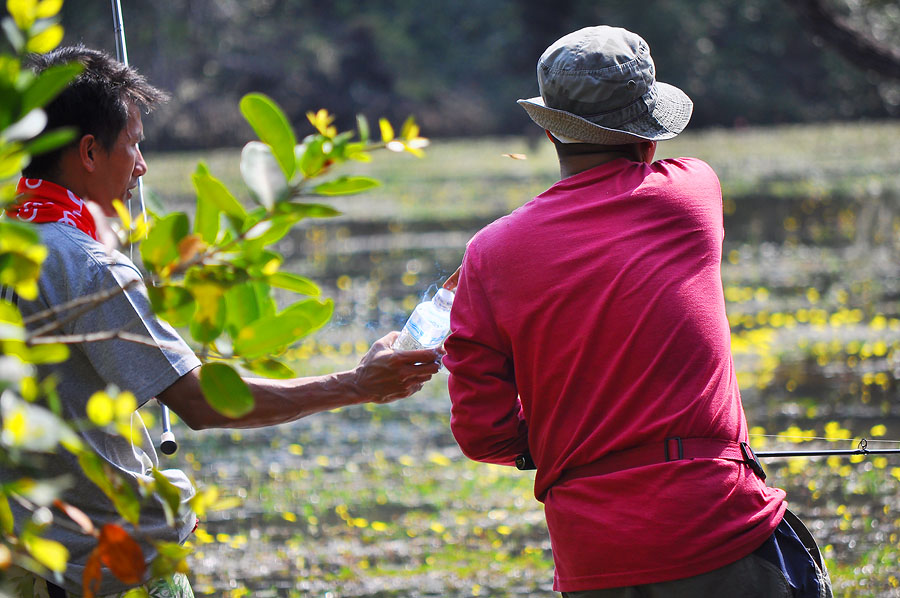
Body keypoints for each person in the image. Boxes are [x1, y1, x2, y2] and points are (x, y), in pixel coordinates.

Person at [3, 45, 441, 597]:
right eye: (134, 145)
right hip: (107, 570)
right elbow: (201, 402)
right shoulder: (88, 266)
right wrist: (355, 385)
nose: (141, 167)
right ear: (89, 152)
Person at [442, 26, 832, 597]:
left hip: (591, 554)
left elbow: (482, 433)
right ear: (650, 135)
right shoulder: (692, 192)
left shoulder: (491, 253)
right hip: (716, 526)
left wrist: (554, 438)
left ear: (550, 129)